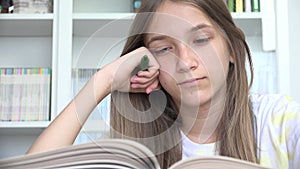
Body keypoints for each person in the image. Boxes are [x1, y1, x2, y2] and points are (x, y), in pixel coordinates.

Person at [27, 0, 300, 169]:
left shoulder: (278, 120)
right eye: (165, 48)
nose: (185, 61)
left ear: (231, 49)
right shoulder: (131, 145)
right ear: (148, 61)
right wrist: (104, 80)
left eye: (201, 40)